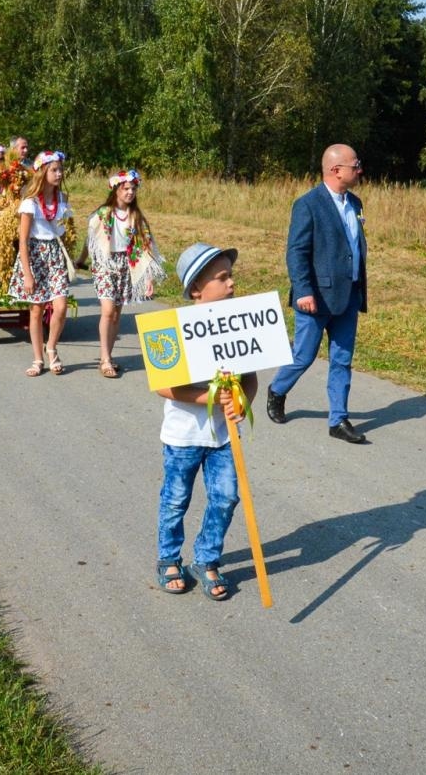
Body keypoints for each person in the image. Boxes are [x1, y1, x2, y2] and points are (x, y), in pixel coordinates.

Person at [155, 242, 255, 600]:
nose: (231, 284)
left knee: (226, 497)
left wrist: (242, 403)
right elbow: (164, 386)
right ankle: (168, 558)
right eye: (223, 278)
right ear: (197, 288)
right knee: (176, 499)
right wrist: (211, 397)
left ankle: (207, 559)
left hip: (224, 438)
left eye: (232, 277)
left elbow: (250, 379)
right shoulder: (174, 328)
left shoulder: (240, 326)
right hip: (183, 435)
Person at [265, 144, 370, 444]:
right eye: (355, 165)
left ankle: (338, 419)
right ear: (336, 170)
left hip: (349, 294)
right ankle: (277, 390)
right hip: (315, 296)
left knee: (342, 358)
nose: (359, 170)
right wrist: (303, 290)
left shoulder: (357, 203)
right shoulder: (308, 204)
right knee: (304, 355)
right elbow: (296, 251)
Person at [87, 169, 164, 378]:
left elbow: (146, 248)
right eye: (126, 188)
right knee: (108, 310)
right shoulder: (103, 213)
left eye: (133, 189)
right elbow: (91, 239)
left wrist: (148, 278)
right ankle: (104, 358)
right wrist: (82, 259)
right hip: (106, 263)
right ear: (116, 190)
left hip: (125, 265)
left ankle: (109, 356)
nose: (130, 192)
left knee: (116, 313)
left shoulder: (136, 216)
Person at [9, 151, 73, 376]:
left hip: (54, 255)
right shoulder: (30, 203)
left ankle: (52, 347)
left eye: (60, 169)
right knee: (36, 310)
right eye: (54, 170)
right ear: (43, 172)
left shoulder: (62, 200)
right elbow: (23, 242)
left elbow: (64, 230)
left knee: (61, 306)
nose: (59, 173)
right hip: (35, 255)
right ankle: (37, 359)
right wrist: (27, 274)